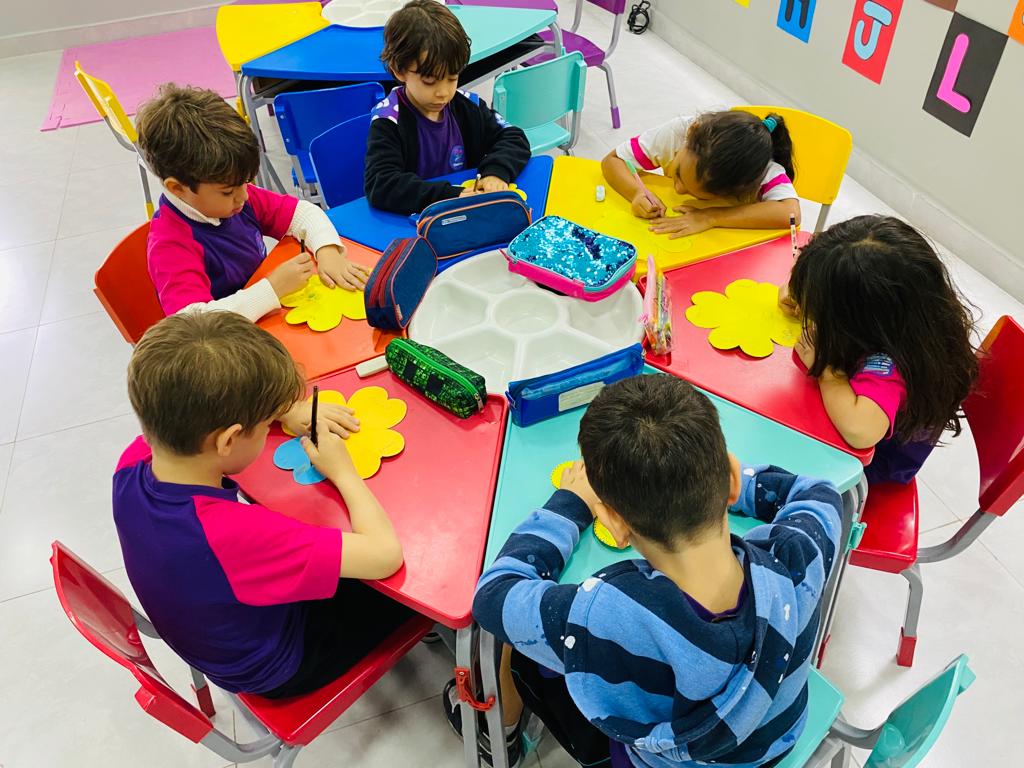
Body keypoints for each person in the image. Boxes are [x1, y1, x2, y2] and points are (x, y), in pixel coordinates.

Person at [464, 374, 843, 767]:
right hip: (773, 744)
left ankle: (498, 738)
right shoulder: (798, 556)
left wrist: (571, 503)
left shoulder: (607, 617)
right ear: (731, 479)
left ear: (613, 521)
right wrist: (703, 479)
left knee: (522, 654)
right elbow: (819, 493)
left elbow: (494, 595)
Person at [113, 311, 410, 698]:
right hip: (279, 665)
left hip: (216, 629)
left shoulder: (132, 463)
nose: (271, 425)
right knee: (405, 590)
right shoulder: (231, 535)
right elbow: (385, 556)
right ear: (227, 440)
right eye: (266, 421)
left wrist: (282, 409)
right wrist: (343, 472)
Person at [136, 84, 369, 323]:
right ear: (177, 188)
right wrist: (272, 289)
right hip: (230, 339)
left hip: (266, 320)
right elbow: (192, 322)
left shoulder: (235, 197)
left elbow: (303, 212)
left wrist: (327, 250)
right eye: (228, 192)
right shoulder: (171, 244)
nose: (244, 196)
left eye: (246, 183)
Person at [782, 215, 978, 484]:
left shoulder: (891, 364)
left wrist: (829, 373)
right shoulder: (911, 320)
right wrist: (802, 292)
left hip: (862, 471)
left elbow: (860, 431)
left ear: (858, 320)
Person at [364, 0, 531, 215]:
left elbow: (514, 136)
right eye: (430, 81)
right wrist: (451, 195)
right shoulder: (389, 121)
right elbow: (381, 184)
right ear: (399, 70)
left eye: (452, 78)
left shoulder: (467, 105)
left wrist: (496, 171)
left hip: (466, 214)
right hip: (414, 221)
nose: (443, 92)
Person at [602, 110, 800, 237]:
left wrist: (711, 217)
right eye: (678, 173)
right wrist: (636, 192)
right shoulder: (678, 133)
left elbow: (791, 215)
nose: (678, 190)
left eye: (697, 194)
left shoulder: (761, 171)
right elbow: (613, 160)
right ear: (691, 133)